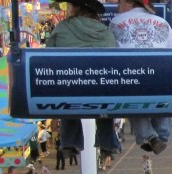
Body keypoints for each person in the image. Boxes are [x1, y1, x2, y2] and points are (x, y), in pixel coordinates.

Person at [48, 0, 123, 160]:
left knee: (68, 102)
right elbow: (113, 58)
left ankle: (70, 141)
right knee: (104, 105)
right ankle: (107, 143)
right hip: (101, 87)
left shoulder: (63, 28)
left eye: (69, 6)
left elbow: (49, 54)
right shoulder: (104, 30)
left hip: (70, 85)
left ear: (76, 8)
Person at [109, 0, 172, 155]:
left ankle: (149, 136)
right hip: (160, 74)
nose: (117, 7)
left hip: (132, 74)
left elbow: (110, 52)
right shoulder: (162, 22)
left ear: (130, 3)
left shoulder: (116, 21)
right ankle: (163, 135)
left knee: (133, 102)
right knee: (163, 98)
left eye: (120, 2)